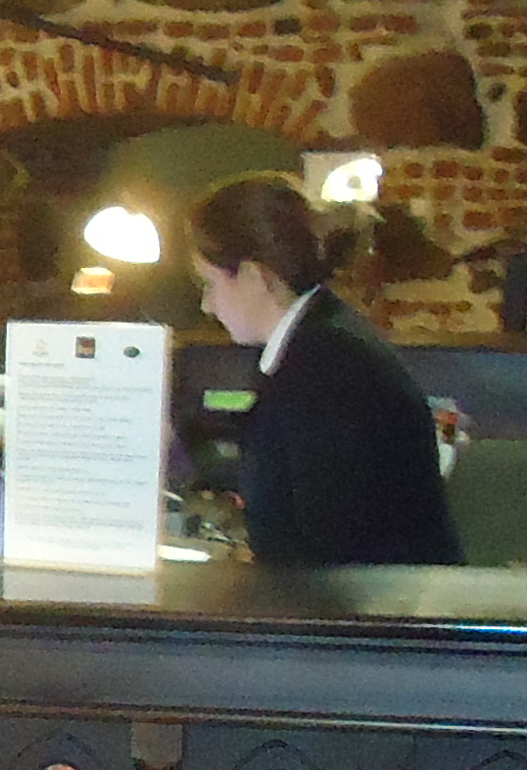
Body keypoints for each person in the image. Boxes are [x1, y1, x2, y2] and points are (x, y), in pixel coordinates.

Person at [189, 173, 462, 568]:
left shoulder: (326, 365)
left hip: (382, 603)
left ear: (253, 276)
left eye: (210, 284)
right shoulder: (317, 342)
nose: (207, 305)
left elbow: (329, 547)